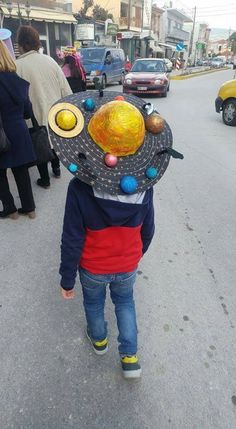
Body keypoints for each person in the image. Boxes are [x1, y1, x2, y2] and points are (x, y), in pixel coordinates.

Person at [48, 91, 183, 379]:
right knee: (125, 303)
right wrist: (135, 254)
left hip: (93, 267)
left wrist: (67, 278)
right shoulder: (142, 187)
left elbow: (72, 237)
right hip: (127, 266)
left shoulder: (81, 188)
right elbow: (148, 229)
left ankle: (99, 341)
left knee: (94, 304)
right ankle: (130, 357)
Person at [16, 26, 72, 189]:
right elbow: (66, 90)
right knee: (52, 142)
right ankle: (56, 169)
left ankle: (44, 179)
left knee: (39, 144)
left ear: (21, 44)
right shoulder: (50, 61)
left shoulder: (17, 66)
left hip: (33, 115)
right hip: (55, 113)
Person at [0, 40, 36, 219]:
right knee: (21, 170)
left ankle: (10, 209)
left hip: (1, 133)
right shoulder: (17, 80)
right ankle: (30, 209)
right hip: (19, 129)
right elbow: (28, 112)